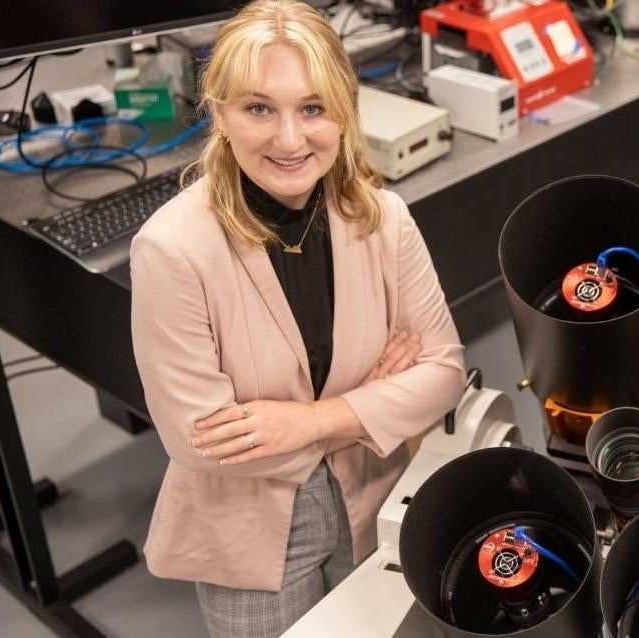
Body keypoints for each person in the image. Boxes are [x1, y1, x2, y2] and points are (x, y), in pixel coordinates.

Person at [128, 1, 466, 635]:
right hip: (250, 529)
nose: (290, 139)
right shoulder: (171, 249)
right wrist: (376, 397)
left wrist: (308, 418)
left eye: (313, 108)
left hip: (375, 493)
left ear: (343, 110)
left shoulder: (383, 218)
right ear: (220, 111)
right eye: (259, 108)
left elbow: (445, 375)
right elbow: (201, 440)